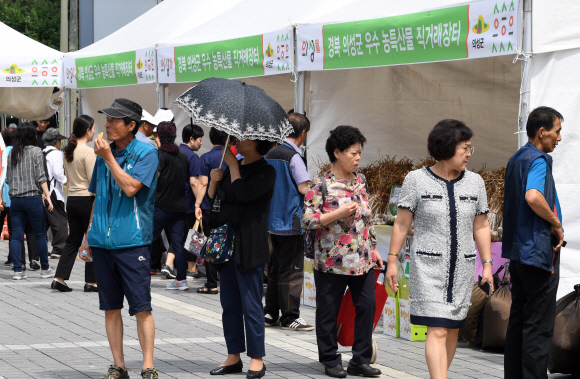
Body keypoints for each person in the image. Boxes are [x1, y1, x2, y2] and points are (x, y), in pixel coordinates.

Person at [387, 120, 493, 379]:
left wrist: (488, 264)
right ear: (446, 148)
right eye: (464, 148)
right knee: (437, 330)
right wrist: (392, 260)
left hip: (463, 269)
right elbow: (402, 223)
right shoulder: (416, 180)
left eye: (470, 148)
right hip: (428, 268)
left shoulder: (475, 182)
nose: (469, 154)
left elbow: (481, 225)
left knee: (452, 330)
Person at [79, 98, 159, 379]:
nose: (107, 124)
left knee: (141, 307)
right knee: (110, 307)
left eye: (114, 120)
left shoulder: (146, 153)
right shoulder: (103, 155)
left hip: (132, 241)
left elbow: (130, 188)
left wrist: (109, 159)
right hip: (102, 242)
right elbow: (98, 197)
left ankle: (147, 365)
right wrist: (89, 236)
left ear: (131, 125)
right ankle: (118, 365)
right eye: (107, 118)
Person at [302, 125, 383, 378]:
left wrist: (374, 247)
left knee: (367, 306)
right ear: (337, 153)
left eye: (360, 153)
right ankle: (330, 358)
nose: (358, 158)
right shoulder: (320, 183)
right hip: (331, 261)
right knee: (328, 311)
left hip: (363, 259)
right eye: (353, 153)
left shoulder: (361, 181)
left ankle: (360, 359)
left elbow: (366, 220)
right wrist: (336, 214)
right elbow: (307, 220)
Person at [502, 107, 564, 379]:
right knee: (538, 327)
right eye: (557, 131)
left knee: (519, 322)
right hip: (537, 254)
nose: (559, 138)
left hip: (518, 254)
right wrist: (556, 223)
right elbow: (532, 196)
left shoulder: (517, 157)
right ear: (542, 132)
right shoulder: (538, 159)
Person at [206, 137, 276, 378]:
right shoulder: (230, 167)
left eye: (244, 138)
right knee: (230, 305)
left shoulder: (266, 171)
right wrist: (214, 183)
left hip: (250, 244)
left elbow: (244, 194)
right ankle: (233, 355)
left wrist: (233, 167)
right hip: (226, 244)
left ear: (257, 143)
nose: (238, 141)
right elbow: (216, 201)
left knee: (252, 304)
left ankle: (257, 358)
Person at [264, 113, 313, 331]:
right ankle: (290, 316)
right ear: (302, 133)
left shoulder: (269, 153)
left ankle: (270, 312)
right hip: (291, 222)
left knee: (274, 269)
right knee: (291, 271)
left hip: (270, 221)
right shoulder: (293, 156)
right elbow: (304, 188)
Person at [51, 115, 97, 293]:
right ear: (88, 130)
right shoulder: (88, 152)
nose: (94, 131)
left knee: (73, 240)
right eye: (93, 128)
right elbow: (93, 182)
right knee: (92, 237)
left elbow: (68, 180)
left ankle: (59, 277)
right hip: (87, 199)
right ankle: (91, 282)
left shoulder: (67, 151)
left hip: (72, 199)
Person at [6, 125, 55, 280]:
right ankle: (45, 269)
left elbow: (8, 178)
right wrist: (47, 196)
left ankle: (18, 271)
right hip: (33, 198)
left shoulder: (12, 153)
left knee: (17, 236)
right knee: (40, 234)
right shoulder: (36, 151)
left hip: (16, 200)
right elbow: (41, 177)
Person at [152, 121, 190, 291]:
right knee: (178, 243)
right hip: (180, 206)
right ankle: (181, 280)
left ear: (159, 136)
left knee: (146, 238)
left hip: (161, 205)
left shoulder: (160, 154)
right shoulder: (182, 155)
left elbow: (154, 179)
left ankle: (137, 274)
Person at [195, 127, 229, 294]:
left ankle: (211, 283)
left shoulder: (206, 157)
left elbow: (202, 184)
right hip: (228, 206)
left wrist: (198, 204)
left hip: (209, 207)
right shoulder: (234, 158)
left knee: (208, 243)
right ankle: (228, 279)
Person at [1, 127, 40, 270]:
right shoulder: (26, 152)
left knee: (14, 232)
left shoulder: (6, 152)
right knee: (29, 229)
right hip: (24, 196)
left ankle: (18, 261)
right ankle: (34, 259)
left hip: (6, 197)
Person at [178, 124, 204, 278]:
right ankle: (192, 268)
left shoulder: (176, 151)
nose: (201, 143)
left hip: (173, 201)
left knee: (178, 236)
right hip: (188, 201)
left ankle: (176, 264)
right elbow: (195, 182)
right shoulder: (193, 157)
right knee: (194, 234)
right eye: (199, 140)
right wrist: (199, 203)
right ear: (191, 138)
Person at [42, 128, 69, 259]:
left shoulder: (42, 152)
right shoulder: (57, 154)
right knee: (60, 219)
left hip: (42, 190)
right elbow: (58, 173)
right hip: (53, 190)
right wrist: (66, 182)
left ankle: (39, 248)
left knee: (45, 221)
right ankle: (59, 248)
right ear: (56, 141)